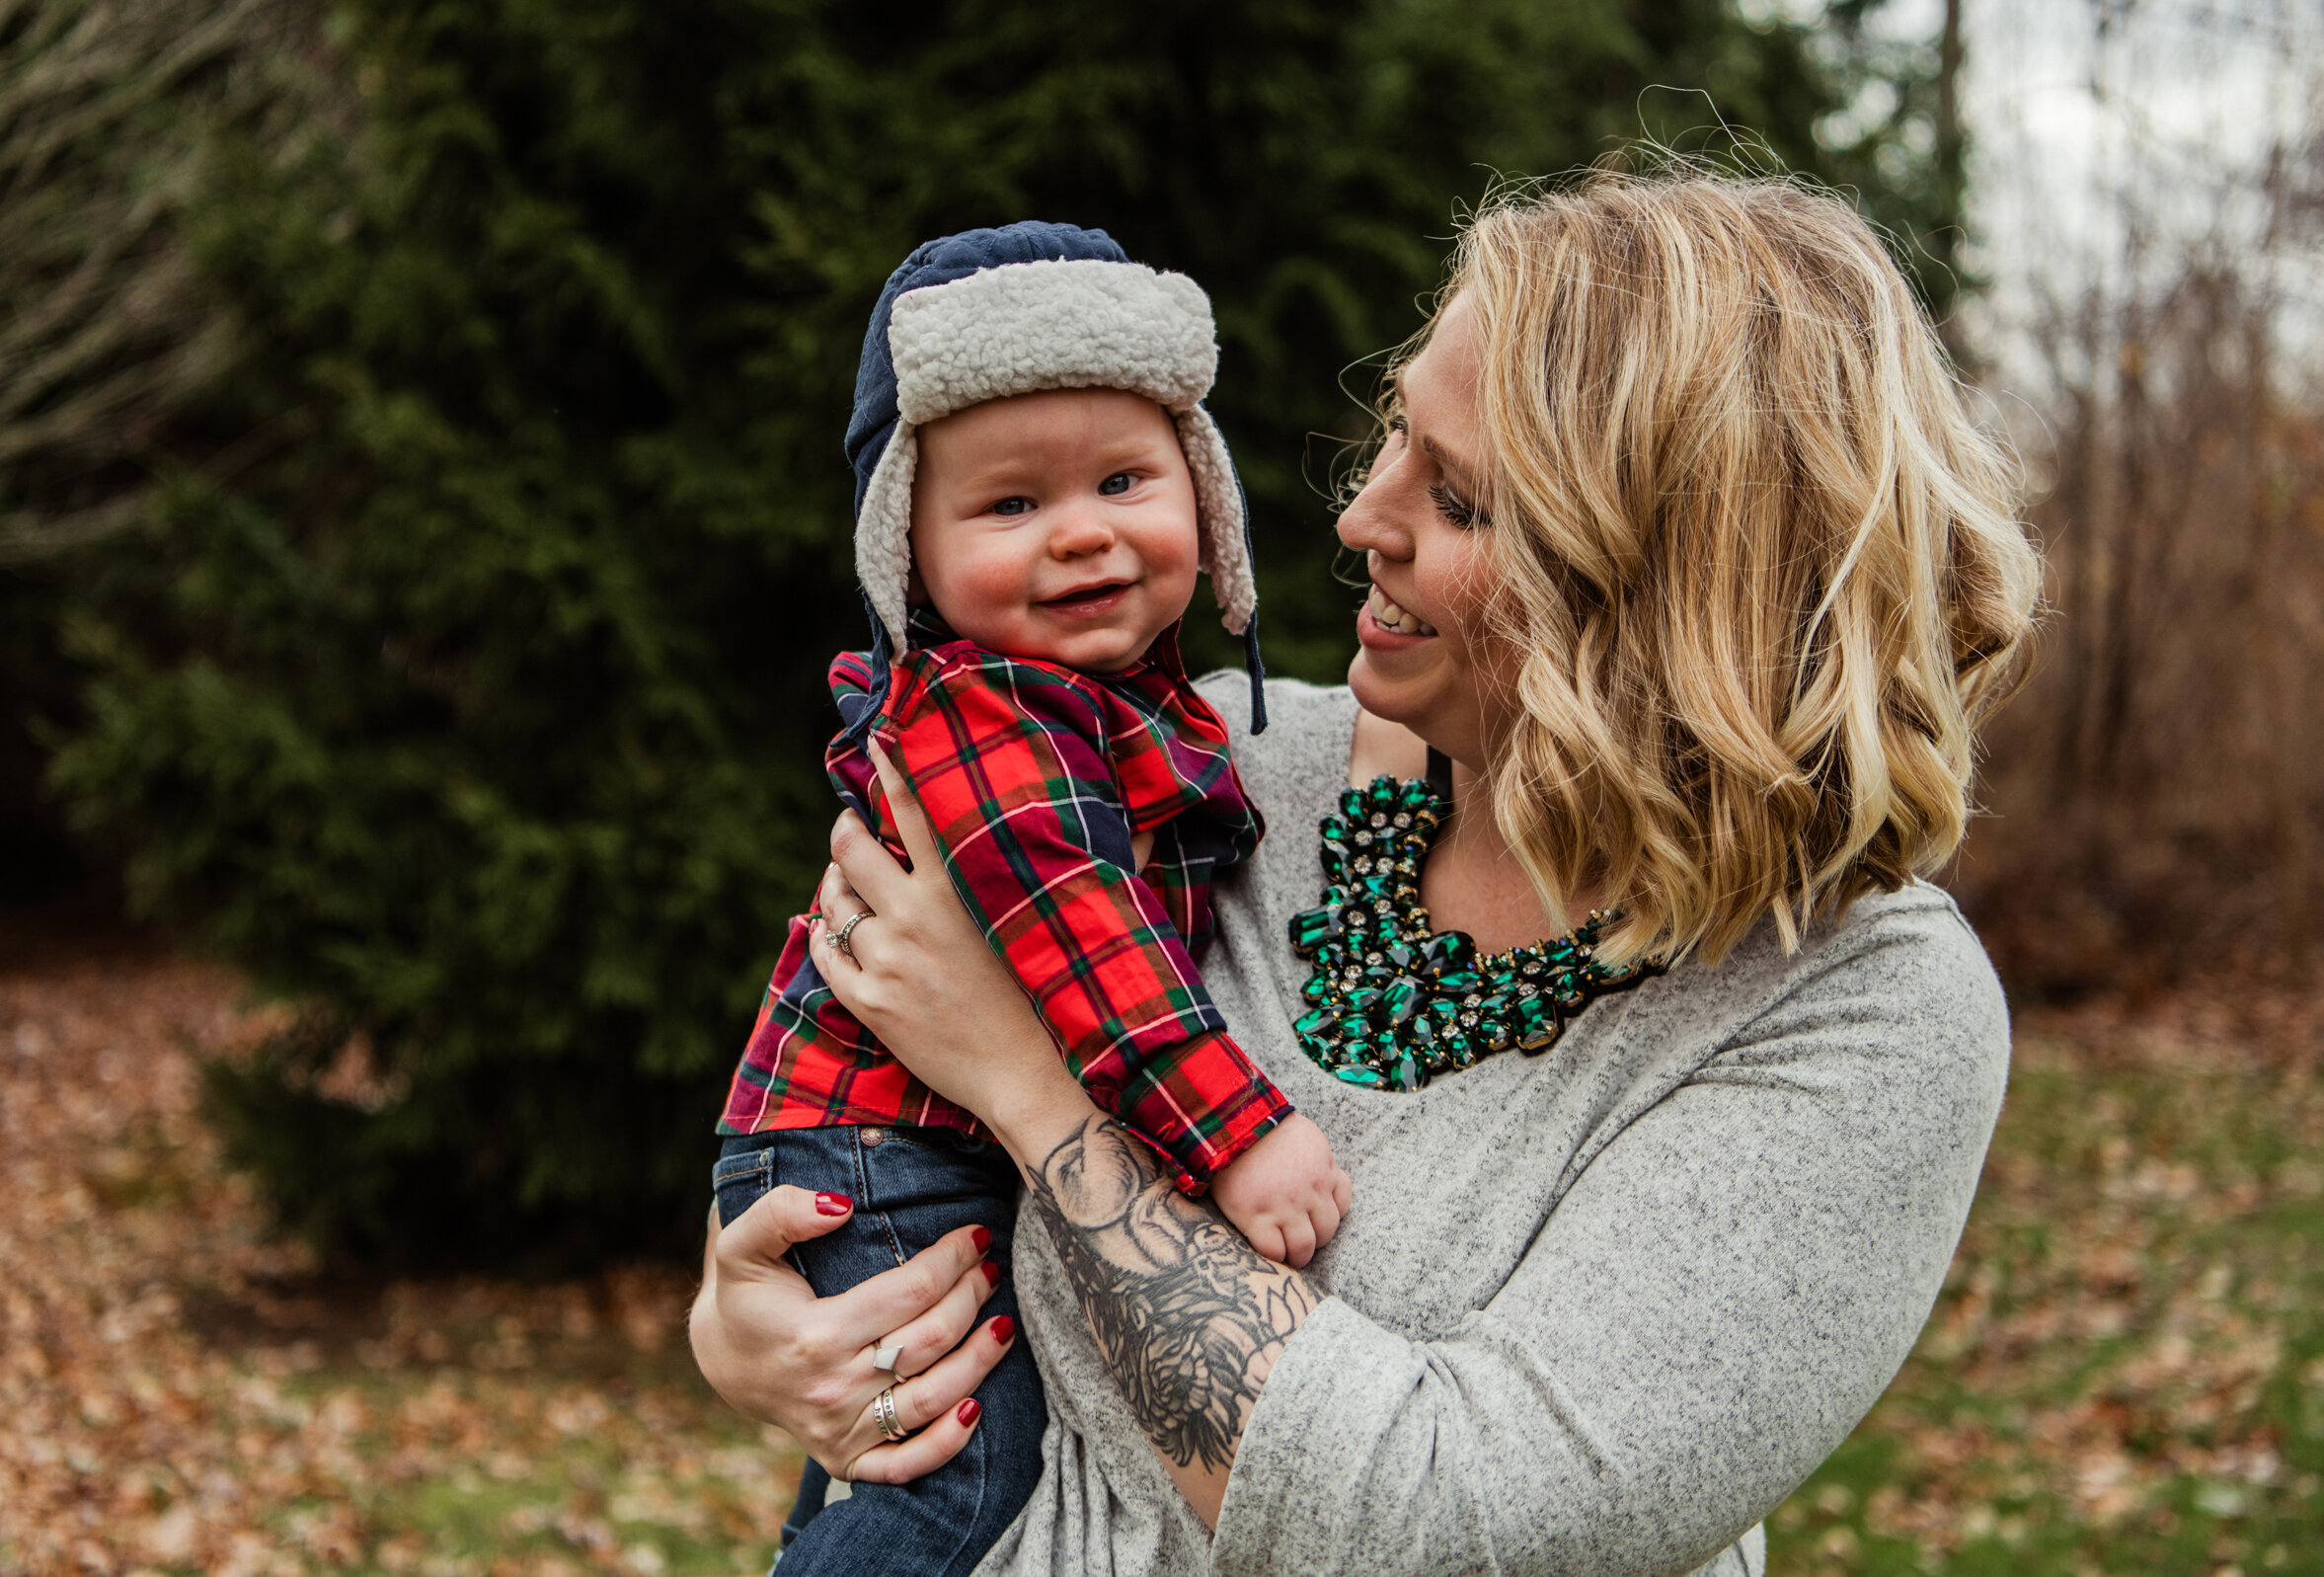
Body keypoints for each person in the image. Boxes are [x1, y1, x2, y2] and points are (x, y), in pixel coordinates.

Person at [690, 171, 2044, 1576]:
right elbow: (856, 1071)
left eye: (1454, 496)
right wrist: (744, 1321)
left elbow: (1442, 1524)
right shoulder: (1205, 758)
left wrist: (1031, 1091)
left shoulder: (1859, 1007)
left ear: (1659, 591)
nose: (1358, 517)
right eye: (1397, 436)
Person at [710, 221, 1354, 1573]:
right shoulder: (990, 712)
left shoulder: (1136, 715)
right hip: (877, 1151)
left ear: (1206, 497)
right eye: (1009, 507)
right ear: (912, 561)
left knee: (906, 1454)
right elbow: (1084, 936)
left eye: (1125, 479)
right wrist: (1236, 1136)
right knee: (954, 1476)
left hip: (886, 1143)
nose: (1081, 534)